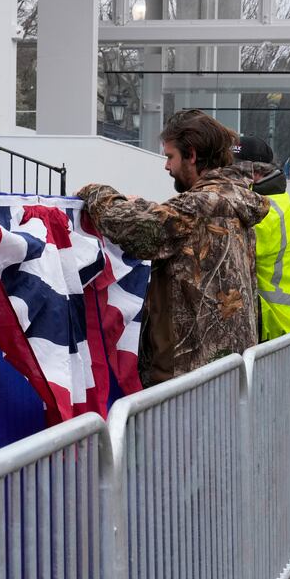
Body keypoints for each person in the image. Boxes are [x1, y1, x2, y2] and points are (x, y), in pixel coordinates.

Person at [76, 110, 268, 387]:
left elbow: (132, 227)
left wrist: (95, 192)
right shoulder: (231, 199)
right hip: (228, 367)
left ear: (191, 154)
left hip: (191, 375)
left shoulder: (200, 206)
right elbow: (173, 223)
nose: (166, 166)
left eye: (170, 156)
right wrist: (142, 205)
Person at [232, 136, 290, 342]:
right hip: (276, 324)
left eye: (234, 170)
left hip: (269, 325)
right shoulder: (275, 200)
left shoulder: (265, 210)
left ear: (255, 173)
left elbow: (231, 251)